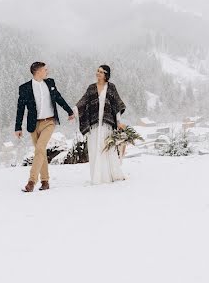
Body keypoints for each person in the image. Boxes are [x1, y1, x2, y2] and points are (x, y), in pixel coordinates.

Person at [15, 61, 75, 192]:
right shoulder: (25, 88)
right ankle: (45, 181)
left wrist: (69, 111)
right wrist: (18, 127)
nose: (47, 71)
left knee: (40, 148)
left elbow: (58, 98)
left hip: (49, 122)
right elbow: (20, 108)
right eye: (45, 70)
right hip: (33, 124)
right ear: (37, 71)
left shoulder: (50, 83)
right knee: (40, 152)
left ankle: (31, 181)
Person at [76, 64, 127, 184]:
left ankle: (111, 175)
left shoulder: (111, 87)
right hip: (94, 124)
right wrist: (74, 111)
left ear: (106, 75)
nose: (98, 73)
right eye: (97, 71)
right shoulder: (91, 88)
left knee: (106, 148)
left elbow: (116, 106)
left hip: (107, 124)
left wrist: (118, 122)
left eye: (101, 72)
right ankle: (98, 177)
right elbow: (83, 101)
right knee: (95, 149)